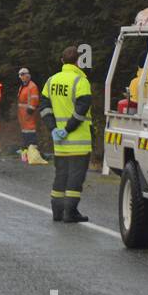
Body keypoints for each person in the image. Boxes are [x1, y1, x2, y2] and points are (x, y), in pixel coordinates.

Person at [39, 46, 94, 222]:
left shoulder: (51, 81)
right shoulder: (81, 81)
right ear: (78, 61)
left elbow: (45, 108)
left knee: (61, 175)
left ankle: (57, 211)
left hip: (60, 142)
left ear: (62, 61)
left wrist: (53, 128)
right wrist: (68, 128)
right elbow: (82, 109)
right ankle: (70, 212)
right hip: (78, 141)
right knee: (75, 178)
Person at [17, 67, 41, 160]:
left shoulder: (32, 86)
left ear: (27, 75)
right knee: (25, 132)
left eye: (23, 75)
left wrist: (30, 109)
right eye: (20, 75)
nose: (21, 77)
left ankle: (32, 153)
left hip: (29, 113)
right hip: (23, 114)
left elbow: (34, 99)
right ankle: (25, 153)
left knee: (30, 131)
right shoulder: (23, 86)